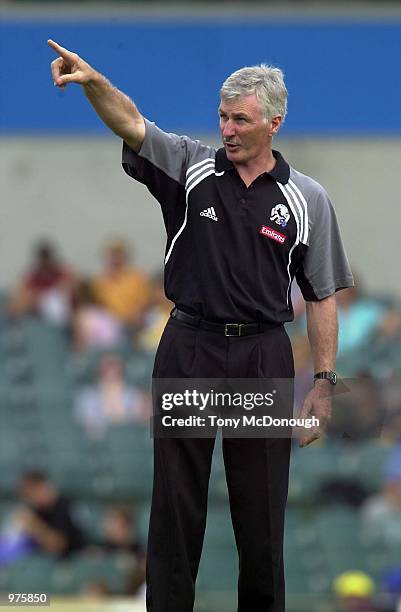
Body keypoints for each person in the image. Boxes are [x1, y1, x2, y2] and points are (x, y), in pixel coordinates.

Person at [48, 39, 354, 612]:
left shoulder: (308, 199)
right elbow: (132, 123)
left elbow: (322, 297)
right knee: (175, 512)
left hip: (262, 357)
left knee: (260, 516)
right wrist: (94, 83)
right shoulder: (190, 166)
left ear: (274, 124)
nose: (228, 128)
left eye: (241, 119)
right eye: (223, 116)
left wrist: (323, 381)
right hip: (189, 347)